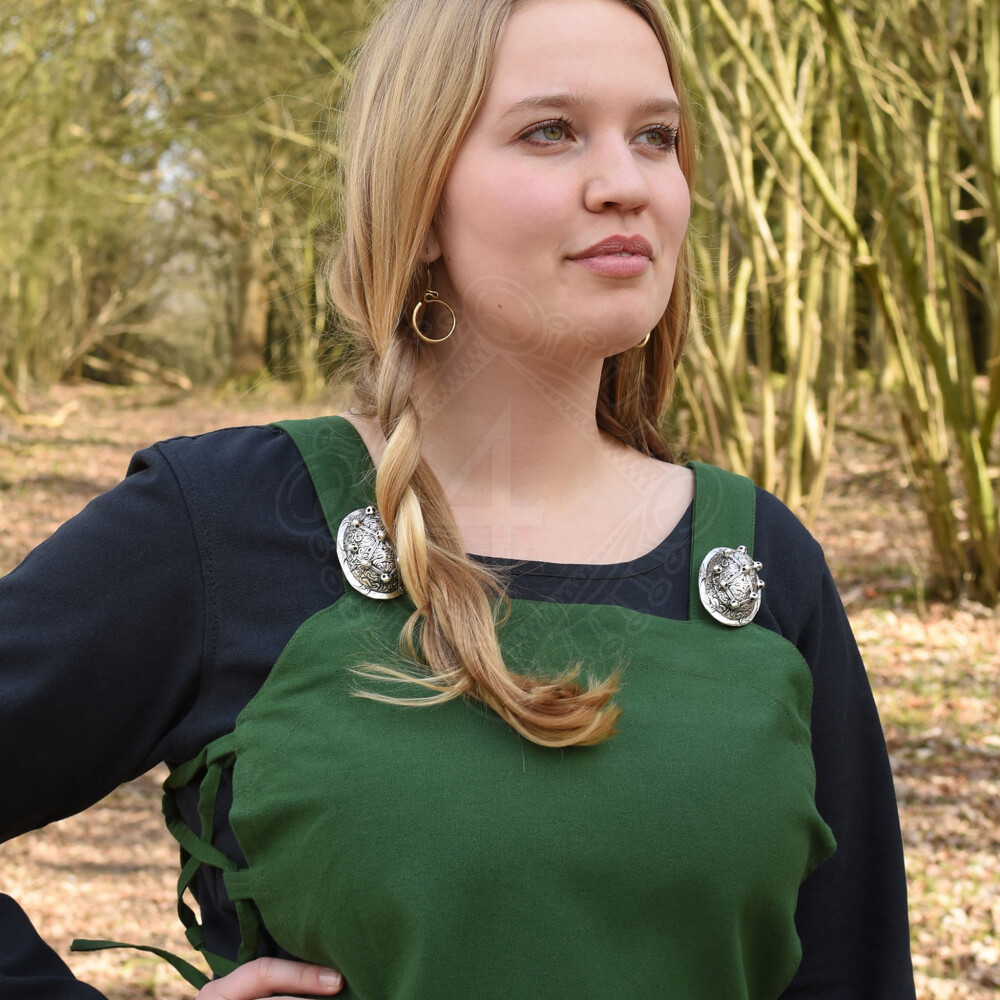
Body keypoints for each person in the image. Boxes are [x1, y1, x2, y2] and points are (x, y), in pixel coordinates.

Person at [0, 0, 916, 997]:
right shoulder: (227, 525)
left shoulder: (763, 564)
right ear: (420, 199)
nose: (626, 182)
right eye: (550, 131)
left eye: (656, 136)